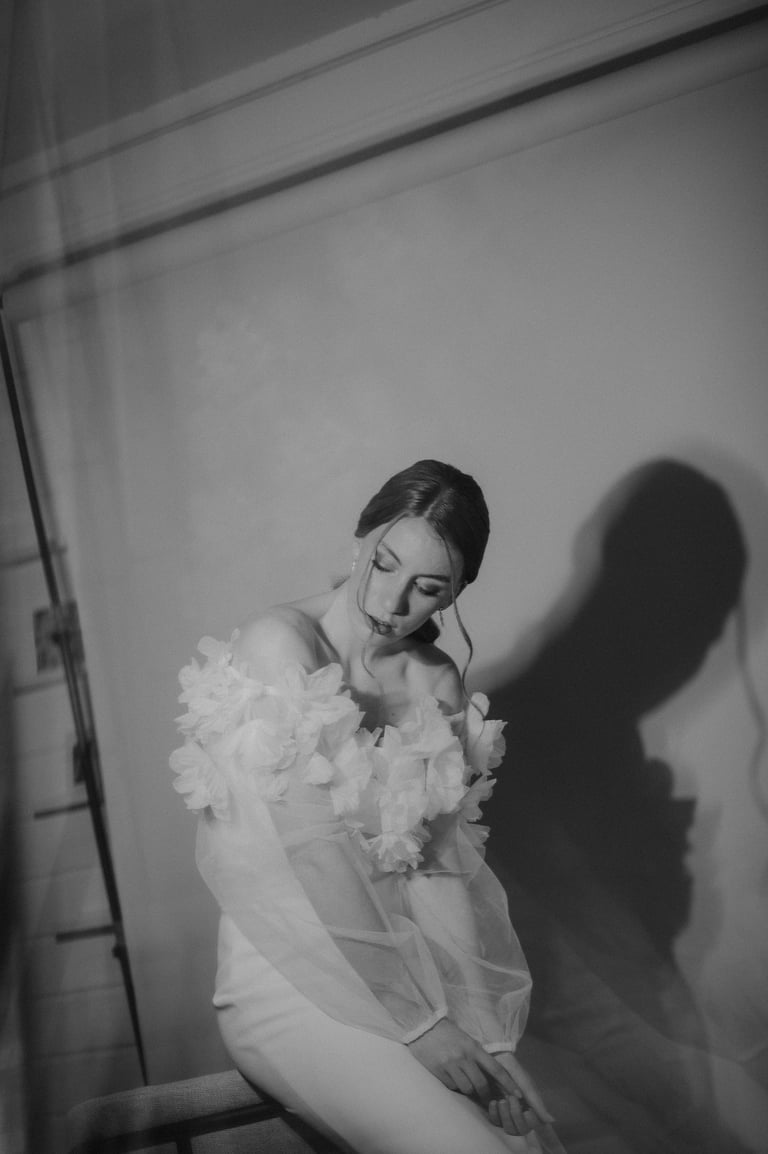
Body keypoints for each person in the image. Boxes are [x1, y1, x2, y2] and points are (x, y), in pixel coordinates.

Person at [170, 460, 565, 1154]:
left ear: (455, 594)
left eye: (428, 588)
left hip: (413, 976)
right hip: (290, 979)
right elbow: (317, 853)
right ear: (361, 539)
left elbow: (437, 871)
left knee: (527, 1146)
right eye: (385, 564)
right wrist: (421, 1026)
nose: (392, 600)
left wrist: (488, 1036)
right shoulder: (279, 643)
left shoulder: (434, 680)